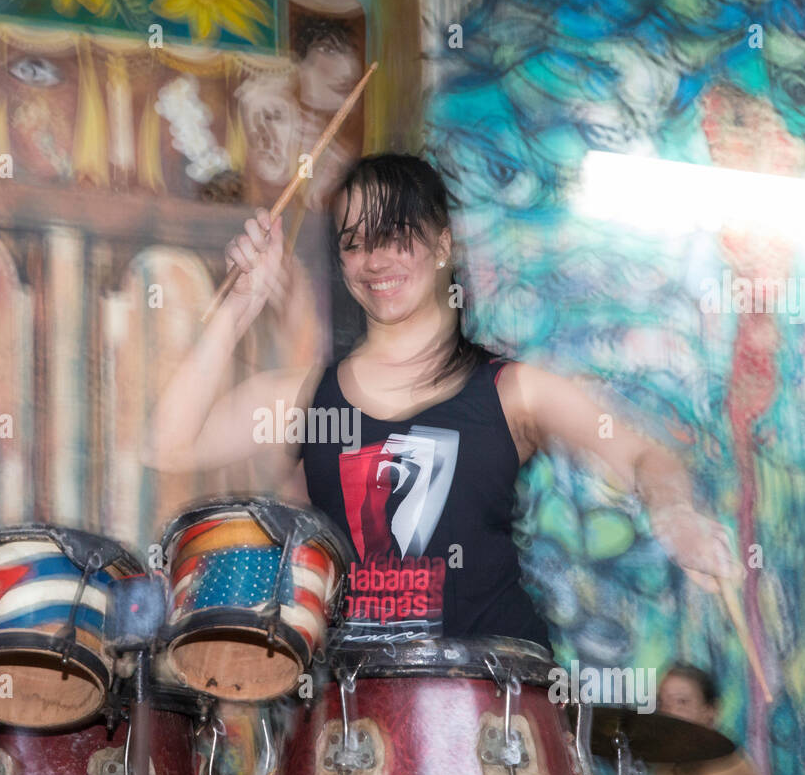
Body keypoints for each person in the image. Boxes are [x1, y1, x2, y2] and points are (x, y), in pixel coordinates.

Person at [146, 152, 742, 649]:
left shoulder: (513, 390)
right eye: (354, 242)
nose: (374, 259)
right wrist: (239, 306)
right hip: (353, 721)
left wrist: (676, 516)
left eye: (394, 236)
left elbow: (643, 454)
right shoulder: (306, 398)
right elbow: (169, 444)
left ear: (441, 245)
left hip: (495, 714)